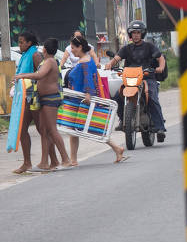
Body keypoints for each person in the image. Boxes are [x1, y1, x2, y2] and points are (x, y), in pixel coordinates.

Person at [67, 35, 126, 165]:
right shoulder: (84, 60)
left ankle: (117, 148)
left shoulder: (85, 61)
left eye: (73, 48)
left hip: (83, 100)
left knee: (91, 127)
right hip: (80, 98)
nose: (71, 51)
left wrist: (88, 94)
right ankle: (73, 159)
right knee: (76, 129)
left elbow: (88, 79)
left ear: (80, 47)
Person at [105, 20, 167, 141]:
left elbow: (160, 58)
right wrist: (109, 64)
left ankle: (160, 127)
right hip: (130, 79)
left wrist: (161, 67)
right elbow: (117, 58)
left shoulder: (149, 46)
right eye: (133, 32)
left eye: (138, 32)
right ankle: (124, 119)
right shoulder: (127, 48)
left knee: (152, 97)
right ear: (130, 34)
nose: (136, 35)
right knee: (117, 96)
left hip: (147, 77)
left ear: (142, 34)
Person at [15, 38, 71, 170]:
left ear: (44, 49)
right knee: (45, 131)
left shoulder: (50, 61)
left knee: (52, 130)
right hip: (44, 99)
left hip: (50, 99)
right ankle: (45, 162)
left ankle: (66, 159)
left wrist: (22, 76)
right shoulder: (47, 61)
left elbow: (40, 75)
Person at [11, 31, 50, 173]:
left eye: (22, 42)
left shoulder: (35, 55)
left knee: (42, 130)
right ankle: (27, 163)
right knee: (22, 129)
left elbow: (42, 75)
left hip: (35, 97)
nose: (20, 45)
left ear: (29, 43)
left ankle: (47, 161)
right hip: (25, 97)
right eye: (19, 42)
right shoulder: (25, 56)